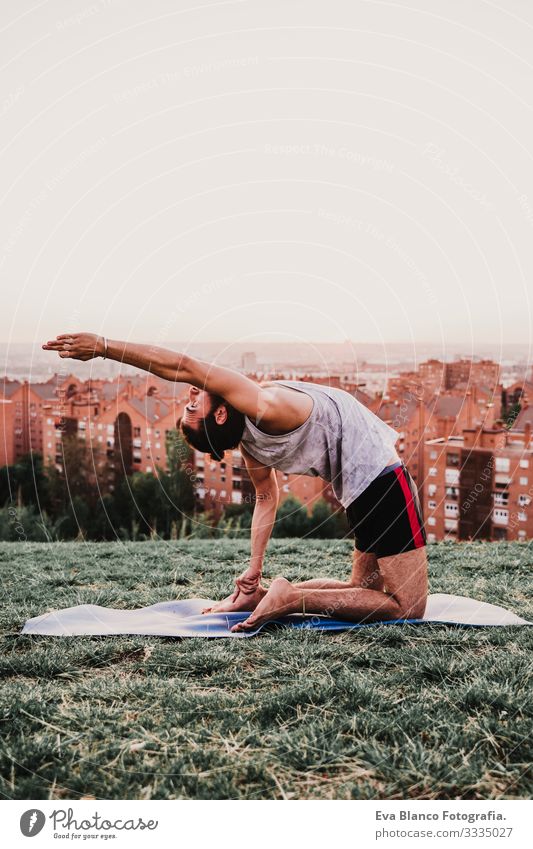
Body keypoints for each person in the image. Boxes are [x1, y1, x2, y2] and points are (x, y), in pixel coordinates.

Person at [42, 332, 428, 632]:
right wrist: (105, 347)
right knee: (408, 607)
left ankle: (268, 596)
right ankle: (290, 597)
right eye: (194, 406)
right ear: (222, 415)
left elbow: (265, 496)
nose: (192, 395)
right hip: (381, 478)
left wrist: (251, 578)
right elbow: (183, 365)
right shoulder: (263, 406)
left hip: (358, 489)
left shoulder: (252, 443)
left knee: (366, 591)